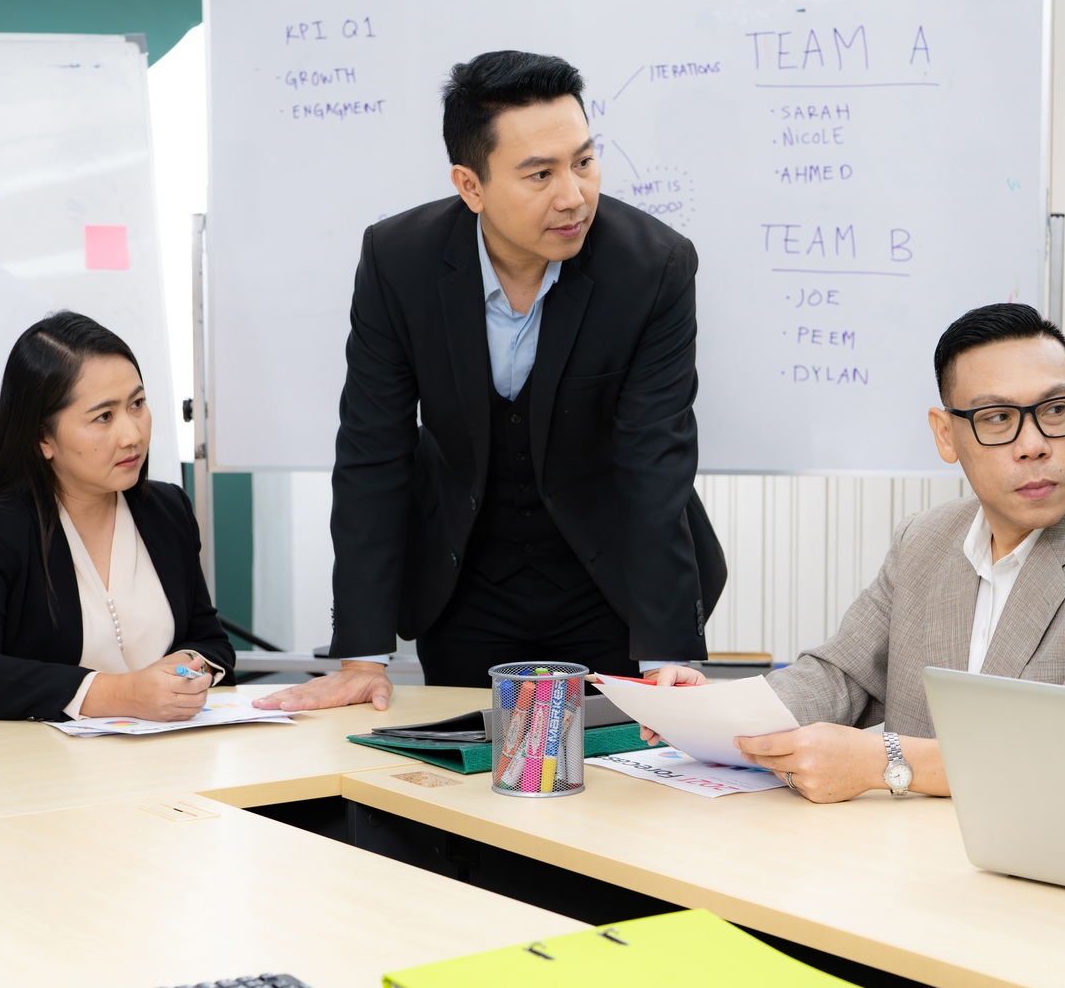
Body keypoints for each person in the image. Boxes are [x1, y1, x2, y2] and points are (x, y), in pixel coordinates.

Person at [255, 50, 724, 713]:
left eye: (584, 162)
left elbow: (655, 458)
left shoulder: (652, 267)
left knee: (609, 789)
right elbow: (373, 454)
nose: (573, 195)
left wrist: (668, 654)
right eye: (540, 174)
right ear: (470, 185)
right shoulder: (399, 263)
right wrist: (362, 652)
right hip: (463, 578)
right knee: (465, 784)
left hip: (613, 584)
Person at [720, 302, 1065, 803]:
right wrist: (711, 714)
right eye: (998, 418)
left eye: (1056, 410)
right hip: (916, 853)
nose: (1033, 445)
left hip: (1064, 865)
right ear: (946, 434)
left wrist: (882, 763)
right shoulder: (925, 539)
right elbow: (840, 678)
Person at [0, 312, 234, 721]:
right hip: (40, 771)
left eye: (137, 404)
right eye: (103, 417)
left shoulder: (166, 510)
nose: (133, 435)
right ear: (43, 438)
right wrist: (121, 693)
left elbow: (211, 643)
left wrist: (188, 671)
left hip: (168, 759)